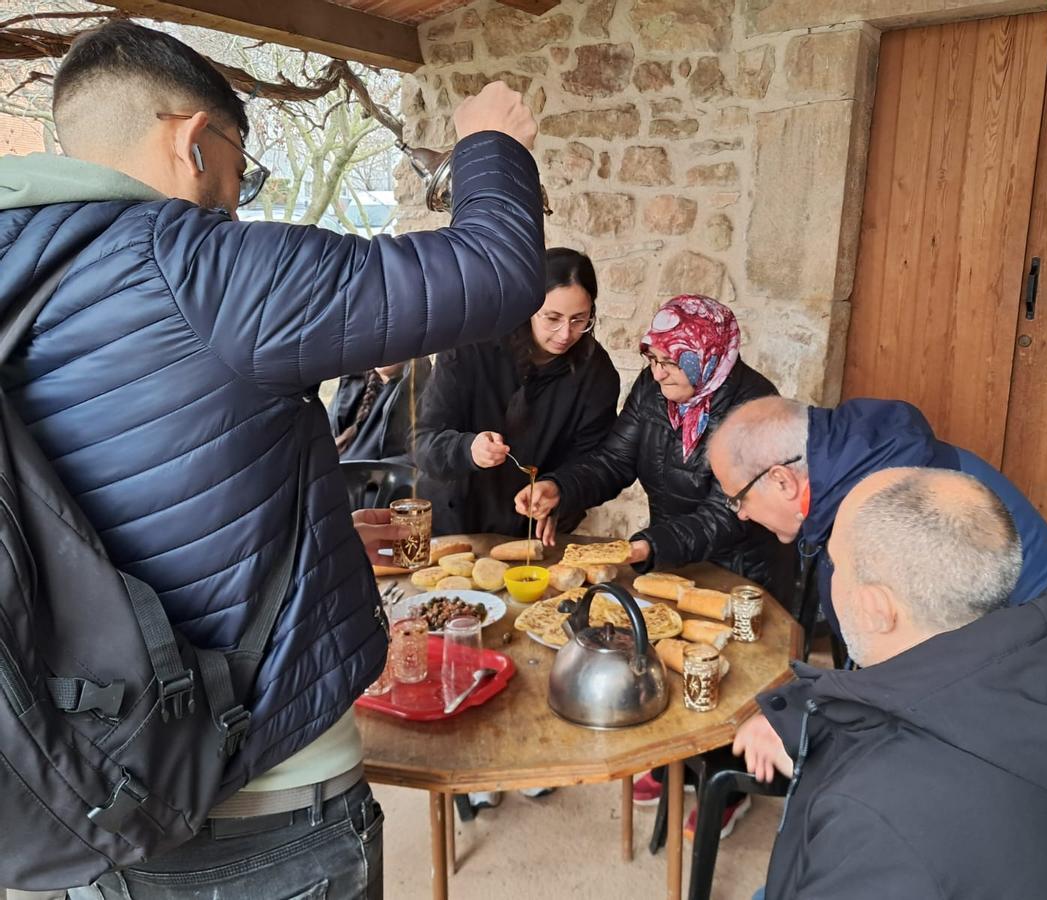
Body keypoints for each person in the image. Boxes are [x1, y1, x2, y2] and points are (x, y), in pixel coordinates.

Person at [0, 20, 544, 899]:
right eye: (239, 171)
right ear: (193, 139)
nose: (237, 202)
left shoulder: (21, 273)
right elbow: (495, 270)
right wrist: (488, 143)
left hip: (98, 791)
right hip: (263, 804)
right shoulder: (197, 269)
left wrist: (308, 514)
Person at [733, 467, 1047, 899]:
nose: (831, 575)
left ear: (875, 608)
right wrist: (820, 753)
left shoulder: (875, 817)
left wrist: (844, 788)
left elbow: (904, 818)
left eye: (836, 564)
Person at [517, 294, 790, 834]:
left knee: (724, 678)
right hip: (671, 554)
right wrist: (559, 486)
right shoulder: (653, 389)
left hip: (741, 566)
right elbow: (615, 460)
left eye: (672, 361)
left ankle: (726, 779)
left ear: (706, 357)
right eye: (654, 359)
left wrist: (644, 546)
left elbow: (728, 514)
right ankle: (677, 764)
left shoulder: (754, 404)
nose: (659, 371)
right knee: (664, 656)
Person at [707, 395, 1047, 656]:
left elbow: (913, 677)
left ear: (782, 479)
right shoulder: (861, 472)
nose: (740, 513)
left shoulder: (894, 514)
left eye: (738, 497)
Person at [414, 247, 619, 538]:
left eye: (579, 319)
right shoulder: (470, 345)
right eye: (552, 318)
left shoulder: (596, 371)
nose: (565, 334)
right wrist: (467, 449)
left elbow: (598, 464)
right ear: (528, 307)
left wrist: (560, 489)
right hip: (453, 524)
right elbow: (421, 442)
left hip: (532, 533)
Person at [330, 358, 432, 466]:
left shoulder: (427, 392)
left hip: (379, 480)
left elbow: (423, 455)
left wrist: (380, 470)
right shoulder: (353, 383)